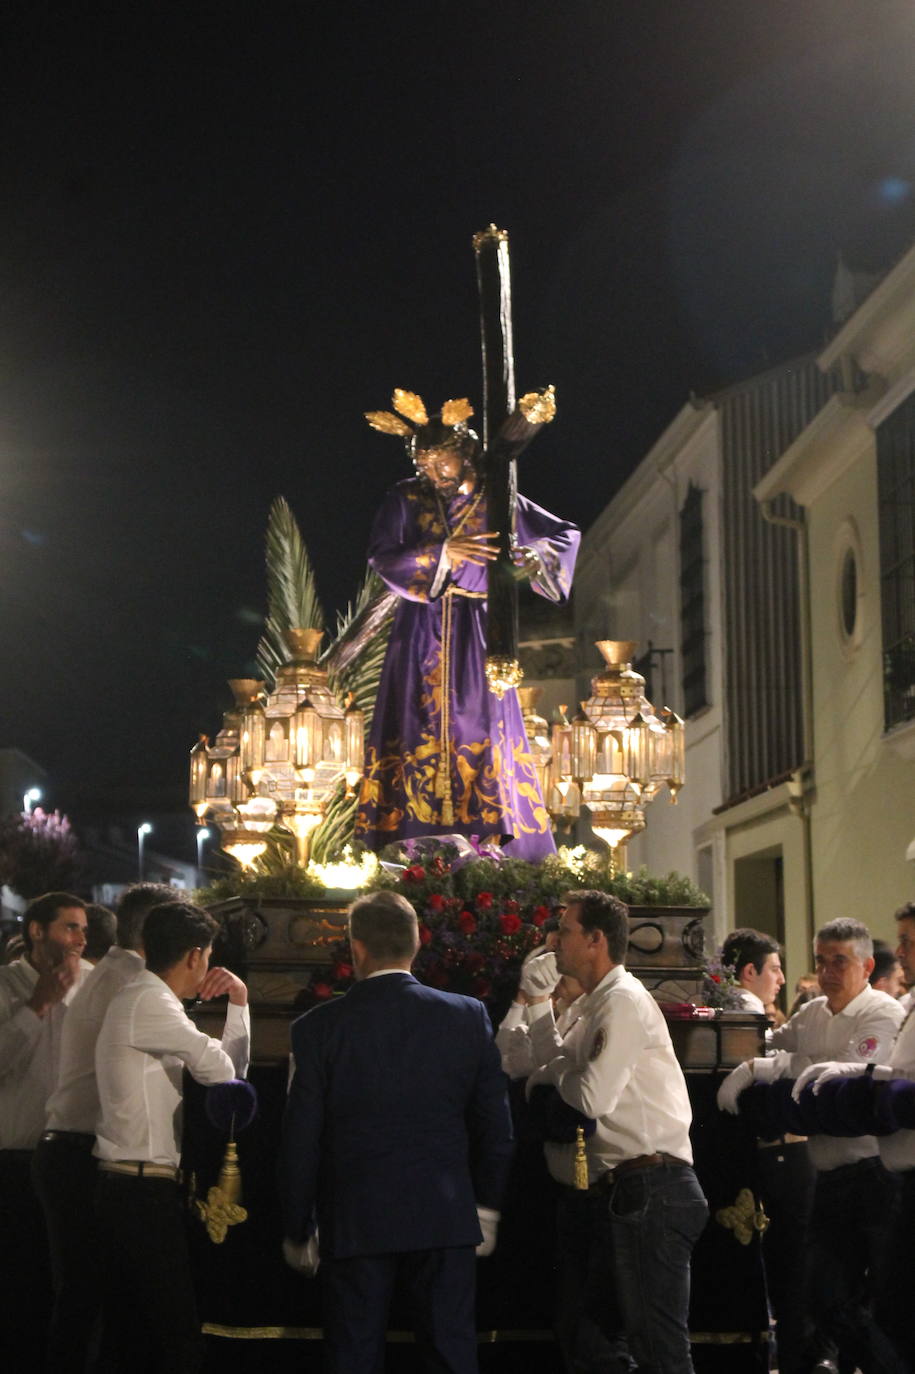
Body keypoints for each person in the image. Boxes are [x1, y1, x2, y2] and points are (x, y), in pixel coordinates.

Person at [279, 889, 514, 1373]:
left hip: (354, 1216)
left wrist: (298, 1225)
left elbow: (301, 1137)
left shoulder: (318, 1028)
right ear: (415, 946)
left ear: (356, 948)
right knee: (450, 1356)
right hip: (444, 1214)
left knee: (354, 1359)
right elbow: (496, 1126)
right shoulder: (467, 1016)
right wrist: (486, 1208)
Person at [355, 392, 579, 862]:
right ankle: (413, 841)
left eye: (443, 462)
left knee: (482, 726)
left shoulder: (498, 498)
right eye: (426, 464)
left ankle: (489, 843)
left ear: (466, 452)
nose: (435, 473)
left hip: (482, 630)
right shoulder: (406, 497)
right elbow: (382, 556)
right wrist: (444, 555)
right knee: (417, 724)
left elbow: (563, 535)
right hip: (420, 631)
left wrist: (531, 557)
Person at [524, 890, 708, 1374]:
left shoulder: (621, 1001)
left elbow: (589, 1099)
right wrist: (541, 1005)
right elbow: (554, 1063)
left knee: (657, 1347)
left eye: (565, 931)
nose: (555, 943)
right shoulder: (593, 1004)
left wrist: (550, 1084)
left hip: (652, 1186)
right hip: (622, 1191)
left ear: (595, 940)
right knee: (589, 1340)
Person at [718, 917, 906, 1374]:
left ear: (865, 965)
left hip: (873, 1175)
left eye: (839, 961)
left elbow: (846, 1072)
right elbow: (763, 1048)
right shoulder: (814, 1012)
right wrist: (773, 1063)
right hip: (827, 1175)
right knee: (822, 1294)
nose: (827, 972)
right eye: (821, 961)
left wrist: (782, 1066)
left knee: (881, 1297)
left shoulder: (882, 1011)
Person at [94, 900, 250, 1374]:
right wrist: (238, 1001)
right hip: (137, 1188)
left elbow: (230, 1073)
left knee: (138, 1331)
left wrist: (237, 1003)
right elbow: (224, 1072)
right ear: (195, 956)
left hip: (131, 1184)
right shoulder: (152, 1001)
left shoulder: (146, 997)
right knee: (175, 1331)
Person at [32, 882, 181, 1372]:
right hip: (80, 1153)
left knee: (85, 1295)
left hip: (68, 1147)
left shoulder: (113, 972)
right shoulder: (136, 985)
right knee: (96, 1297)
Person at [0, 891, 90, 1369]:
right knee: (19, 1281)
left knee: (67, 1281)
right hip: (14, 1158)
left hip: (74, 1156)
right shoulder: (6, 985)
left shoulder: (93, 984)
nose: (79, 939)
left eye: (83, 930)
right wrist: (37, 1006)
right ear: (37, 932)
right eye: (69, 927)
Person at [721, 927, 785, 1016]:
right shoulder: (748, 1006)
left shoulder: (721, 1002)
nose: (782, 980)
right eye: (774, 970)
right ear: (750, 972)